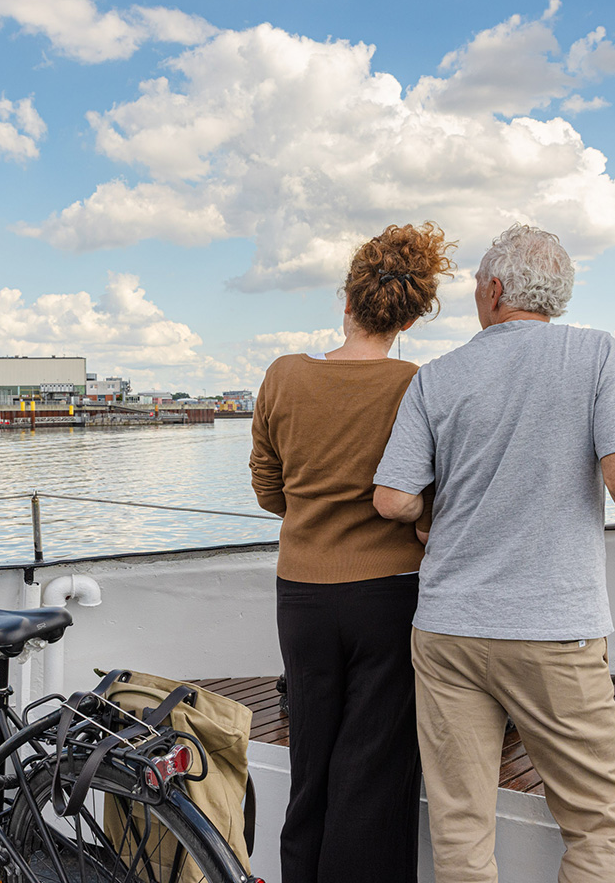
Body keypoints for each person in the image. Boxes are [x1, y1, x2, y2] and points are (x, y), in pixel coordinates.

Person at [372, 223, 615, 883]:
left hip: (448, 625)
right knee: (595, 819)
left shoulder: (436, 377)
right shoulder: (594, 354)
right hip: (553, 628)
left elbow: (394, 502)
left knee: (459, 821)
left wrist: (437, 515)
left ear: (492, 289)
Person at [249, 222, 455, 883]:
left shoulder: (282, 375)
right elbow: (431, 496)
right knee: (373, 770)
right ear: (412, 315)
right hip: (389, 595)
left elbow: (267, 490)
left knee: (311, 762)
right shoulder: (418, 386)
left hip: (301, 595)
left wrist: (314, 517)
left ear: (347, 298)